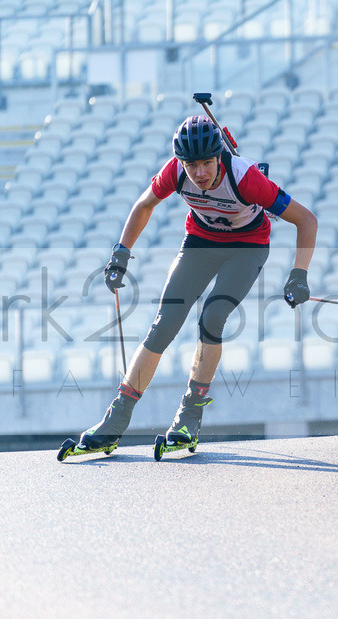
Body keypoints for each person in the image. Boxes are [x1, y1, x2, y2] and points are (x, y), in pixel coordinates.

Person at [75, 114, 317, 452]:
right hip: (201, 242)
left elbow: (306, 220)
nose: (199, 173)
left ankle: (189, 415)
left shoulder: (246, 178)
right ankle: (116, 419)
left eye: (206, 163)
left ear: (219, 156)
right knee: (163, 325)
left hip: (247, 248)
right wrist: (120, 253)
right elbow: (144, 205)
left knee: (212, 317)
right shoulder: (174, 172)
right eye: (192, 165)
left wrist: (299, 275)